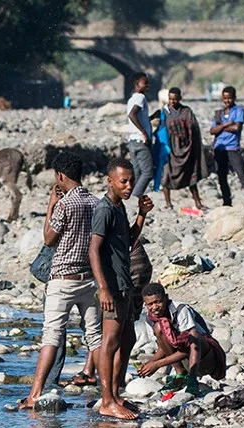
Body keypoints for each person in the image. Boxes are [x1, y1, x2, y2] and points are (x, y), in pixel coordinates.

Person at [17, 154, 103, 409]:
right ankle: (108, 392)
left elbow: (48, 238)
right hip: (89, 279)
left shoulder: (66, 205)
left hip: (63, 279)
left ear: (60, 176)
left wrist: (51, 204)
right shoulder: (97, 202)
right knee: (95, 337)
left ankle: (34, 394)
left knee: (51, 336)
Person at [89, 159, 152, 420]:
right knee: (110, 342)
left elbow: (127, 242)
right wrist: (103, 288)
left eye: (131, 181)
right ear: (110, 181)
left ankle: (115, 394)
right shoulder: (104, 209)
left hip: (125, 284)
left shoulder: (119, 207)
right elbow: (93, 250)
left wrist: (141, 214)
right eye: (123, 181)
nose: (128, 186)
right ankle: (106, 401)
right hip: (112, 287)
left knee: (128, 340)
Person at [137, 283, 226, 394]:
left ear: (166, 298)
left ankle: (192, 379)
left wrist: (158, 364)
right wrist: (149, 364)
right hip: (185, 360)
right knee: (159, 328)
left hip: (205, 359)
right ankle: (181, 373)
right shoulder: (150, 319)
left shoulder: (180, 309)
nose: (154, 307)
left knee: (194, 335)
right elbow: (162, 348)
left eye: (158, 302)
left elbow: (192, 345)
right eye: (150, 304)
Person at [160, 87, 208, 211]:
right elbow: (161, 130)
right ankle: (168, 203)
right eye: (170, 99)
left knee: (191, 175)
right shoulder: (165, 112)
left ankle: (198, 202)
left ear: (180, 99)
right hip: (170, 149)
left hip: (187, 148)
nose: (172, 102)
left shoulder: (187, 111)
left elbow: (194, 129)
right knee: (166, 175)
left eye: (175, 99)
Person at [209, 86, 244, 207]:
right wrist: (227, 124)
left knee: (241, 174)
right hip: (219, 148)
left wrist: (221, 127)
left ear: (234, 98)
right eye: (225, 98)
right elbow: (212, 131)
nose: (227, 101)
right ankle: (227, 201)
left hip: (232, 148)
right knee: (222, 176)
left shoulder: (239, 111)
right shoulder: (218, 113)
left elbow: (237, 128)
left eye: (229, 98)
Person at [125, 72, 155, 199]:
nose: (148, 86)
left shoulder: (132, 98)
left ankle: (129, 195)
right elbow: (132, 115)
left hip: (132, 140)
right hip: (140, 140)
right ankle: (135, 196)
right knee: (148, 173)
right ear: (137, 84)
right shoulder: (140, 98)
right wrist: (144, 133)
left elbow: (139, 118)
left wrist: (153, 117)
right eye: (145, 83)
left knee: (136, 172)